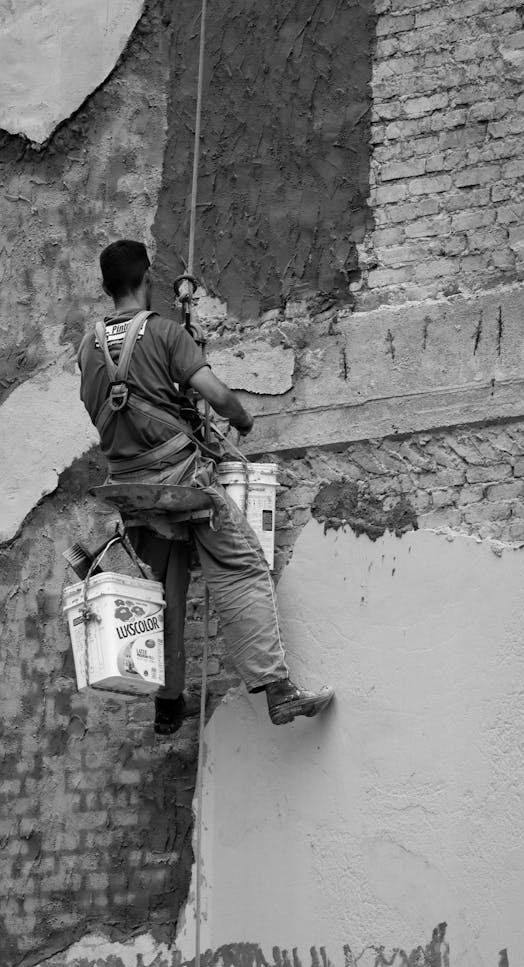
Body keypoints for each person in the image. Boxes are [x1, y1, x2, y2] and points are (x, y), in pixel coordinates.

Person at [78, 239, 334, 734]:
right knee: (240, 568)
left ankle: (168, 708)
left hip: (132, 493)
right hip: (180, 483)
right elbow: (216, 395)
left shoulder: (86, 351)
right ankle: (277, 690)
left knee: (160, 598)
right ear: (146, 278)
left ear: (107, 287)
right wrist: (242, 418)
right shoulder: (166, 334)